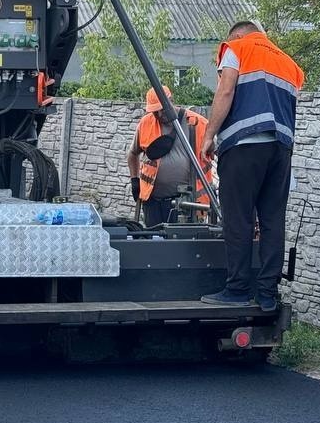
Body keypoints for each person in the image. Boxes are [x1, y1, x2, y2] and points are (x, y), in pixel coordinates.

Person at [201, 20, 305, 312]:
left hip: (244, 144)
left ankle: (237, 289)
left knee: (239, 218)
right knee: (273, 221)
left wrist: (209, 135)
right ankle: (267, 294)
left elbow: (225, 92)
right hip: (281, 149)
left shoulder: (236, 48)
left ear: (236, 34)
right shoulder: (289, 63)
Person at [127, 87, 211, 226]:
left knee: (182, 244)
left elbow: (218, 155)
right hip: (152, 202)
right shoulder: (146, 123)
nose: (159, 114)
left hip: (186, 203)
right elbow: (132, 154)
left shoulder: (197, 123)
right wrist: (134, 181)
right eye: (155, 111)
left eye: (162, 108)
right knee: (152, 242)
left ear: (171, 101)